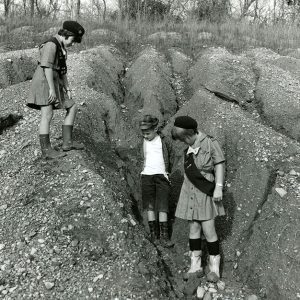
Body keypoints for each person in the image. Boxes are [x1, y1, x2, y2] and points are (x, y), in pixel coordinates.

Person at [171, 116, 225, 279]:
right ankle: (195, 266)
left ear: (189, 134)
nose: (183, 142)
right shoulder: (188, 149)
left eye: (183, 139)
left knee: (209, 230)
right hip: (190, 191)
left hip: (205, 190)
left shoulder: (209, 143)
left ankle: (214, 268)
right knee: (193, 228)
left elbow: (219, 164)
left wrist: (219, 187)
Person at [27, 20, 85, 159]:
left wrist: (68, 88)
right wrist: (52, 90)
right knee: (47, 115)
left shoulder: (62, 47)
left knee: (72, 106)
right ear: (66, 34)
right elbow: (46, 68)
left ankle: (67, 142)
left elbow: (62, 71)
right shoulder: (51, 45)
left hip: (54, 82)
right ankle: (46, 150)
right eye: (72, 40)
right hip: (44, 83)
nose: (73, 43)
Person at [139, 114, 175, 248]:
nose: (145, 136)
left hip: (161, 175)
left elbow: (170, 155)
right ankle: (154, 235)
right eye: (143, 133)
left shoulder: (163, 140)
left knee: (163, 206)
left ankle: (164, 237)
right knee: (149, 205)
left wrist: (167, 172)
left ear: (155, 129)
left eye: (147, 133)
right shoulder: (142, 141)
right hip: (146, 175)